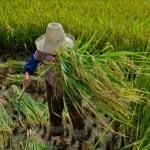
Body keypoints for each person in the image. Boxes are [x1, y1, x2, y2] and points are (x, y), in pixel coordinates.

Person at [23, 22, 88, 150]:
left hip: (70, 84)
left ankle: (83, 143)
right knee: (54, 111)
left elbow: (80, 66)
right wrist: (27, 74)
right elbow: (32, 60)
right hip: (51, 84)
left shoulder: (70, 51)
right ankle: (62, 140)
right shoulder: (42, 52)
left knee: (76, 113)